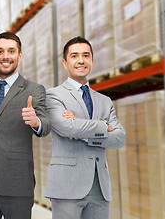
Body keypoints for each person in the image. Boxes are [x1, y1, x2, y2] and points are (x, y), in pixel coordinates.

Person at [0, 31, 51, 219]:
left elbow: (45, 125)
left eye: (11, 51)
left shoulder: (33, 89)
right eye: (0, 51)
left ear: (19, 55)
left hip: (17, 184)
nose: (6, 56)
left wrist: (35, 121)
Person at [44, 36, 126, 219]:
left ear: (92, 61)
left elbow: (119, 138)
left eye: (86, 55)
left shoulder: (104, 101)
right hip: (67, 185)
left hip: (100, 187)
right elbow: (66, 127)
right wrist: (104, 126)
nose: (81, 60)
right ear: (65, 63)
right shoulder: (53, 95)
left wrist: (84, 132)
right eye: (74, 56)